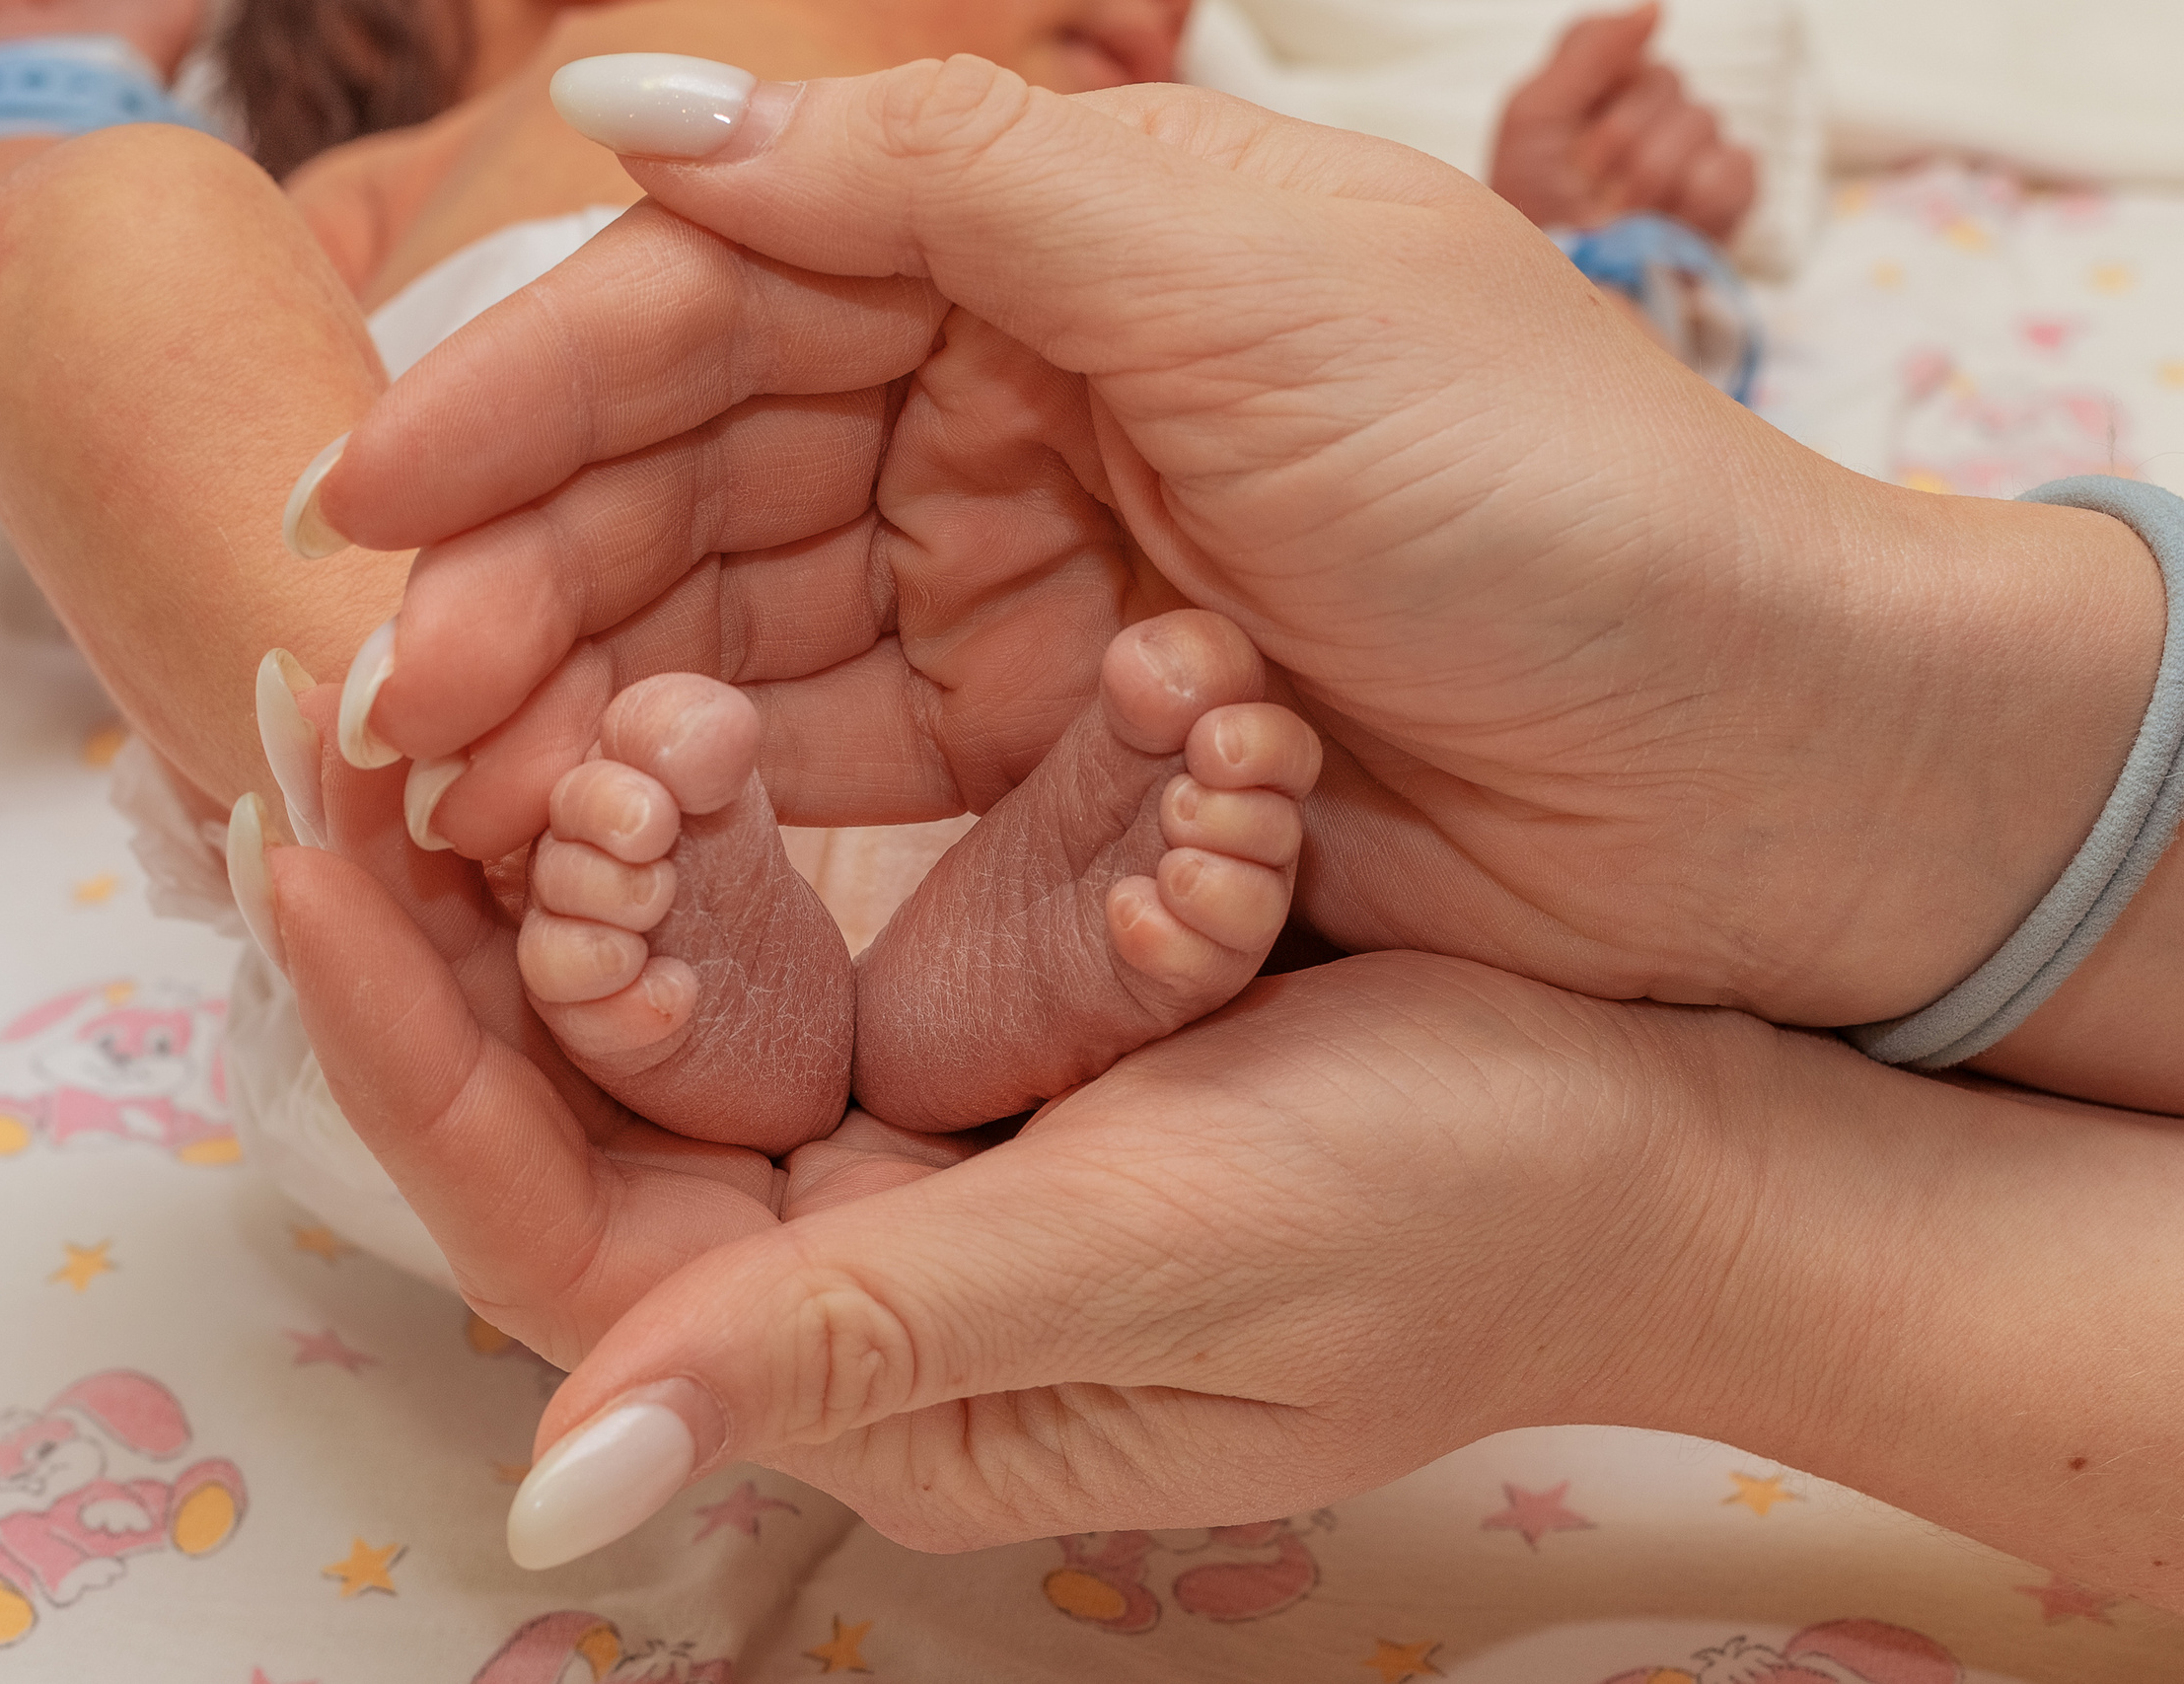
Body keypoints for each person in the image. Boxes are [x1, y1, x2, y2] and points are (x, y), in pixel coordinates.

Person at [245, 49, 2184, 1609]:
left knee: (1142, 769)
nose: (1119, 27)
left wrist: (1580, 252)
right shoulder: (409, 157)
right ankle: (753, 1000)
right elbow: (167, 353)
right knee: (591, 804)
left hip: (1089, 790)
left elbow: (1460, 399)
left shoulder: (1186, 182)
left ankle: (878, 1005)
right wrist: (48, 130)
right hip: (497, 791)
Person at [0, 0, 1764, 1158]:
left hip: (1047, 672)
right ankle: (522, 848)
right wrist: (47, 90)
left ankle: (876, 976)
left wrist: (1545, 246)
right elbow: (179, 436)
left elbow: (1376, 434)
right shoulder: (405, 160)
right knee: (101, 215)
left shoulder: (1092, 113)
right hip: (485, 647)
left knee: (1287, 469)